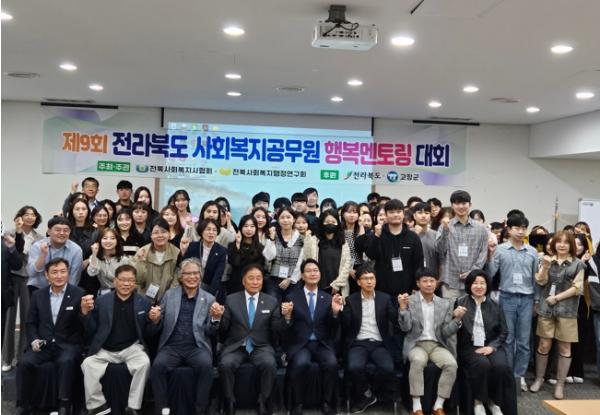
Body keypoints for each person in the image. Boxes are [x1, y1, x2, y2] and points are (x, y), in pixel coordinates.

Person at [80, 264, 160, 415]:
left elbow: (148, 333)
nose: (126, 284)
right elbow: (91, 329)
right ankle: (97, 405)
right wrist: (85, 313)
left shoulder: (143, 302)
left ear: (135, 282)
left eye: (130, 280)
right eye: (122, 280)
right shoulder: (102, 301)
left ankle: (133, 406)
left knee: (144, 363)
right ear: (115, 281)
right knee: (88, 364)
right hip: (106, 349)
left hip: (132, 348)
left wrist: (155, 321)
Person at [150, 258, 225, 415]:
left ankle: (200, 409)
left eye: (195, 273)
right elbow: (158, 323)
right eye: (187, 273)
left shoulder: (209, 298)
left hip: (197, 347)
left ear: (200, 275)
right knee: (158, 366)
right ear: (181, 276)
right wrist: (155, 319)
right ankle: (162, 408)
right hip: (171, 346)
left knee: (206, 366)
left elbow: (211, 332)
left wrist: (215, 318)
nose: (192, 277)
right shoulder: (170, 295)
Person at [16, 258, 85, 415]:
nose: (59, 276)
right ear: (47, 275)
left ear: (68, 273)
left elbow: (83, 324)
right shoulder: (38, 295)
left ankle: (64, 404)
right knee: (25, 363)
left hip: (67, 344)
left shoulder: (78, 293)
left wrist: (85, 313)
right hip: (43, 344)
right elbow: (31, 322)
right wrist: (34, 340)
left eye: (63, 271)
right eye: (54, 272)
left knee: (66, 361)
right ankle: (23, 404)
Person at [218, 264, 286, 415]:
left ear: (262, 281)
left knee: (269, 364)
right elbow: (223, 329)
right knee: (225, 364)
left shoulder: (271, 301)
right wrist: (217, 317)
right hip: (236, 346)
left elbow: (277, 329)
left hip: (261, 346)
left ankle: (263, 401)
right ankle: (229, 401)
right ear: (243, 281)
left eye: (258, 278)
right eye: (251, 278)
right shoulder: (231, 299)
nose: (255, 282)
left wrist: (286, 318)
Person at [398, 267, 463, 415]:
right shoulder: (410, 301)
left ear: (437, 282)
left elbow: (446, 332)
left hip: (437, 345)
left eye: (432, 281)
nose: (429, 284)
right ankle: (417, 407)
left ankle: (438, 405)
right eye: (425, 281)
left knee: (452, 364)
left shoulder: (445, 303)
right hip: (416, 344)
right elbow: (405, 328)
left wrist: (457, 320)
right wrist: (402, 309)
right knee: (418, 361)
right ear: (418, 283)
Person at [283, 259, 344, 415]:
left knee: (331, 363)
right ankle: (297, 403)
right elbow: (286, 328)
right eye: (309, 271)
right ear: (302, 276)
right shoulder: (292, 297)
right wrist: (287, 317)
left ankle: (326, 402)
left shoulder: (327, 297)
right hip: (301, 344)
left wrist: (335, 313)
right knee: (300, 363)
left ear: (320, 274)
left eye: (315, 270)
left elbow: (333, 327)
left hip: (322, 343)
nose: (312, 273)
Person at [485, 214, 538, 392]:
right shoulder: (500, 249)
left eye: (523, 228)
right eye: (517, 228)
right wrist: (490, 255)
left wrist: (537, 300)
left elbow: (536, 279)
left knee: (523, 341)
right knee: (507, 339)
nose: (521, 231)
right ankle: (507, 374)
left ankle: (519, 375)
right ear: (509, 229)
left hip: (527, 298)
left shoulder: (532, 251)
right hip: (506, 297)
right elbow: (491, 273)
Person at [530, 231, 585, 399]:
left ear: (571, 245)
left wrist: (557, 298)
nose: (562, 245)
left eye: (566, 242)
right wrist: (546, 266)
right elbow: (540, 281)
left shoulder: (578, 264)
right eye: (559, 242)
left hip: (567, 311)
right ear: (554, 244)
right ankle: (539, 379)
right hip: (546, 310)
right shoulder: (546, 260)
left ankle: (560, 384)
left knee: (565, 347)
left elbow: (577, 288)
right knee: (543, 345)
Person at [342, 264, 398, 413]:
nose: (369, 281)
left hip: (379, 343)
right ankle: (367, 394)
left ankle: (378, 394)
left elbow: (395, 320)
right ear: (358, 282)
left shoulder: (385, 298)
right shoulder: (351, 300)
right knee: (354, 367)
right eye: (365, 278)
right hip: (358, 343)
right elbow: (345, 325)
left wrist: (402, 307)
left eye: (372, 278)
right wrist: (340, 310)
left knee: (387, 368)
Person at [456, 270, 511, 415]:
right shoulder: (460, 302)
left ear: (487, 286)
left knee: (501, 366)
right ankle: (478, 401)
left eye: (482, 283)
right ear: (469, 285)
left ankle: (493, 401)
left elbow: (504, 332)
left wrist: (492, 347)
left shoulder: (495, 305)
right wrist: (456, 318)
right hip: (469, 345)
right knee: (482, 364)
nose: (479, 286)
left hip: (491, 344)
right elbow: (452, 329)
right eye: (475, 283)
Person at [2, 206, 43, 371]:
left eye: (33, 215)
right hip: (11, 278)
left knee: (28, 318)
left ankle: (23, 356)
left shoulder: (40, 238)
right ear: (20, 216)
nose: (30, 217)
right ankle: (6, 359)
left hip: (30, 279)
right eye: (26, 214)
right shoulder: (9, 234)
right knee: (9, 319)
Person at [366, 199, 424, 297]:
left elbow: (419, 263)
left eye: (398, 211)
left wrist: (416, 287)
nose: (395, 215)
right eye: (391, 212)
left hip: (407, 291)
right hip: (382, 290)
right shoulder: (378, 234)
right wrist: (376, 236)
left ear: (403, 213)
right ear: (386, 214)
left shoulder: (412, 237)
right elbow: (371, 255)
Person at [437, 191, 488, 299]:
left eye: (464, 203)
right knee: (450, 310)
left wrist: (472, 272)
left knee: (471, 310)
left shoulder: (480, 228)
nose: (461, 206)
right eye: (457, 203)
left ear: (470, 205)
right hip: (450, 283)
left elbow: (483, 253)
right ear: (452, 205)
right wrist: (445, 230)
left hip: (473, 283)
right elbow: (440, 250)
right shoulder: (445, 226)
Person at [303, 209, 352, 297]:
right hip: (318, 285)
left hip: (338, 287)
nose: (330, 224)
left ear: (338, 223)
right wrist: (307, 238)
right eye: (327, 222)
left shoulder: (343, 242)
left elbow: (347, 265)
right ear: (322, 223)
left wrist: (337, 284)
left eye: (333, 222)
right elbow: (308, 258)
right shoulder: (314, 240)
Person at [27, 217, 83, 291]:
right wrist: (43, 255)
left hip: (64, 290)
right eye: (58, 230)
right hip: (39, 288)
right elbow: (31, 273)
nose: (62, 233)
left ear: (70, 232)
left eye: (66, 230)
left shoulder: (76, 250)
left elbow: (74, 277)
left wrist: (66, 293)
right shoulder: (37, 246)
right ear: (49, 231)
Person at [263, 207, 305, 302]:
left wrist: (290, 279)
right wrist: (272, 239)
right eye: (282, 217)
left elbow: (301, 262)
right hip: (273, 280)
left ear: (294, 219)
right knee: (273, 306)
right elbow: (269, 256)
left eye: (288, 217)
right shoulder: (273, 235)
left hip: (293, 281)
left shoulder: (301, 238)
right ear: (278, 219)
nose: (285, 220)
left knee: (292, 307)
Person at [180, 219, 228, 302]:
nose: (211, 232)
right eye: (208, 229)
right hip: (190, 285)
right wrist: (183, 252)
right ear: (201, 231)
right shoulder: (193, 246)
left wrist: (209, 296)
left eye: (214, 230)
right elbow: (183, 267)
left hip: (210, 287)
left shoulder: (221, 251)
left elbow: (217, 276)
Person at [135, 218, 180, 304]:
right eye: (156, 232)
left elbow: (176, 282)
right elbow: (139, 280)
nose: (160, 235)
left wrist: (166, 301)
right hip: (144, 299)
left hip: (168, 300)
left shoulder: (177, 253)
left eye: (163, 232)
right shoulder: (142, 252)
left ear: (169, 234)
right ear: (151, 236)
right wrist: (141, 262)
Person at [87, 228, 133, 295]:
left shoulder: (124, 259)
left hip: (122, 291)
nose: (108, 241)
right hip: (104, 292)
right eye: (105, 238)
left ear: (117, 241)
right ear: (99, 241)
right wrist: (94, 254)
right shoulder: (95, 257)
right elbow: (92, 273)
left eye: (112, 238)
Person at [227, 215, 265, 294]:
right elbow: (235, 263)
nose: (249, 229)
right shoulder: (233, 245)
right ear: (241, 228)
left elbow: (259, 269)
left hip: (253, 285)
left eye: (252, 226)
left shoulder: (260, 248)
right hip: (235, 284)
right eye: (246, 226)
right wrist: (238, 244)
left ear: (256, 229)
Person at [411, 202, 441, 274]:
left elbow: (441, 259)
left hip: (432, 276)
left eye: (427, 213)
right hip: (411, 275)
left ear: (430, 216)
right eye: (420, 213)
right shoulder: (407, 234)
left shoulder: (436, 235)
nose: (423, 216)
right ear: (414, 216)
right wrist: (415, 234)